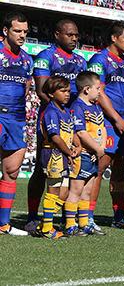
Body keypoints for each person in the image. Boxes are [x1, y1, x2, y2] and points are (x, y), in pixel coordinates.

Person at [27, 19, 86, 231]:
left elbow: (83, 93)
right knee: (42, 171)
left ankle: (61, 218)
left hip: (72, 120)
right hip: (51, 120)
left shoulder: (81, 61)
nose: (74, 38)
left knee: (67, 172)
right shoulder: (45, 57)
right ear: (57, 35)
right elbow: (43, 91)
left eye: (76, 35)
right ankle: (33, 217)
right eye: (69, 34)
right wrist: (61, 113)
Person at [87, 21, 124, 229]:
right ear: (114, 38)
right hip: (106, 121)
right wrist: (116, 118)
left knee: (119, 171)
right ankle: (87, 215)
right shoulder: (100, 60)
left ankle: (118, 216)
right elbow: (98, 92)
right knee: (98, 169)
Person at [0, 12, 32, 236]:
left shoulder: (27, 59)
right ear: (5, 31)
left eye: (25, 32)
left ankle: (3, 224)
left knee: (11, 171)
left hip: (17, 118)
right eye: (17, 31)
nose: (22, 35)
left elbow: (27, 88)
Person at [38, 76, 81, 239]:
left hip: (63, 154)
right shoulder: (50, 111)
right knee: (53, 190)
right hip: (53, 154)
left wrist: (78, 146)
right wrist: (69, 152)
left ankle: (44, 224)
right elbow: (55, 137)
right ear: (50, 93)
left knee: (64, 192)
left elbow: (72, 132)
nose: (67, 94)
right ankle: (47, 229)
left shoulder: (64, 111)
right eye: (63, 91)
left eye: (69, 91)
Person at [66, 71, 107, 236]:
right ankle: (70, 224)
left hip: (94, 155)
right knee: (75, 190)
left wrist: (102, 146)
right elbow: (81, 132)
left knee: (87, 191)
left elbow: (102, 128)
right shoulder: (77, 107)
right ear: (86, 89)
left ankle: (83, 223)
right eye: (97, 88)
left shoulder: (96, 107)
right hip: (83, 154)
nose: (100, 92)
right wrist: (97, 149)